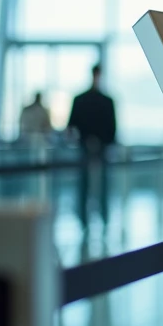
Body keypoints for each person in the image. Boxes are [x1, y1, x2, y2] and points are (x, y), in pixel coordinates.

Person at [68, 66, 117, 226]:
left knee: (85, 184)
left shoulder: (80, 99)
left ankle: (85, 219)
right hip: (101, 146)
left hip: (85, 146)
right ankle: (102, 218)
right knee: (101, 184)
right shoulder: (107, 101)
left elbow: (71, 126)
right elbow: (112, 129)